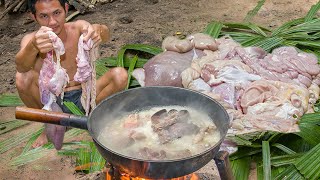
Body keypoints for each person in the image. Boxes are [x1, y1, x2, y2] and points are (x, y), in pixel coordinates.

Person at [15, 0, 128, 148]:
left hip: (86, 96)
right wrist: (33, 47)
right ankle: (50, 123)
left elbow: (104, 33)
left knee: (120, 75)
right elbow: (21, 66)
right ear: (33, 17)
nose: (52, 22)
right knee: (22, 79)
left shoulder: (77, 27)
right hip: (52, 103)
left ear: (66, 9)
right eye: (44, 16)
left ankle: (90, 118)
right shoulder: (31, 40)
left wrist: (98, 30)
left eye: (57, 13)